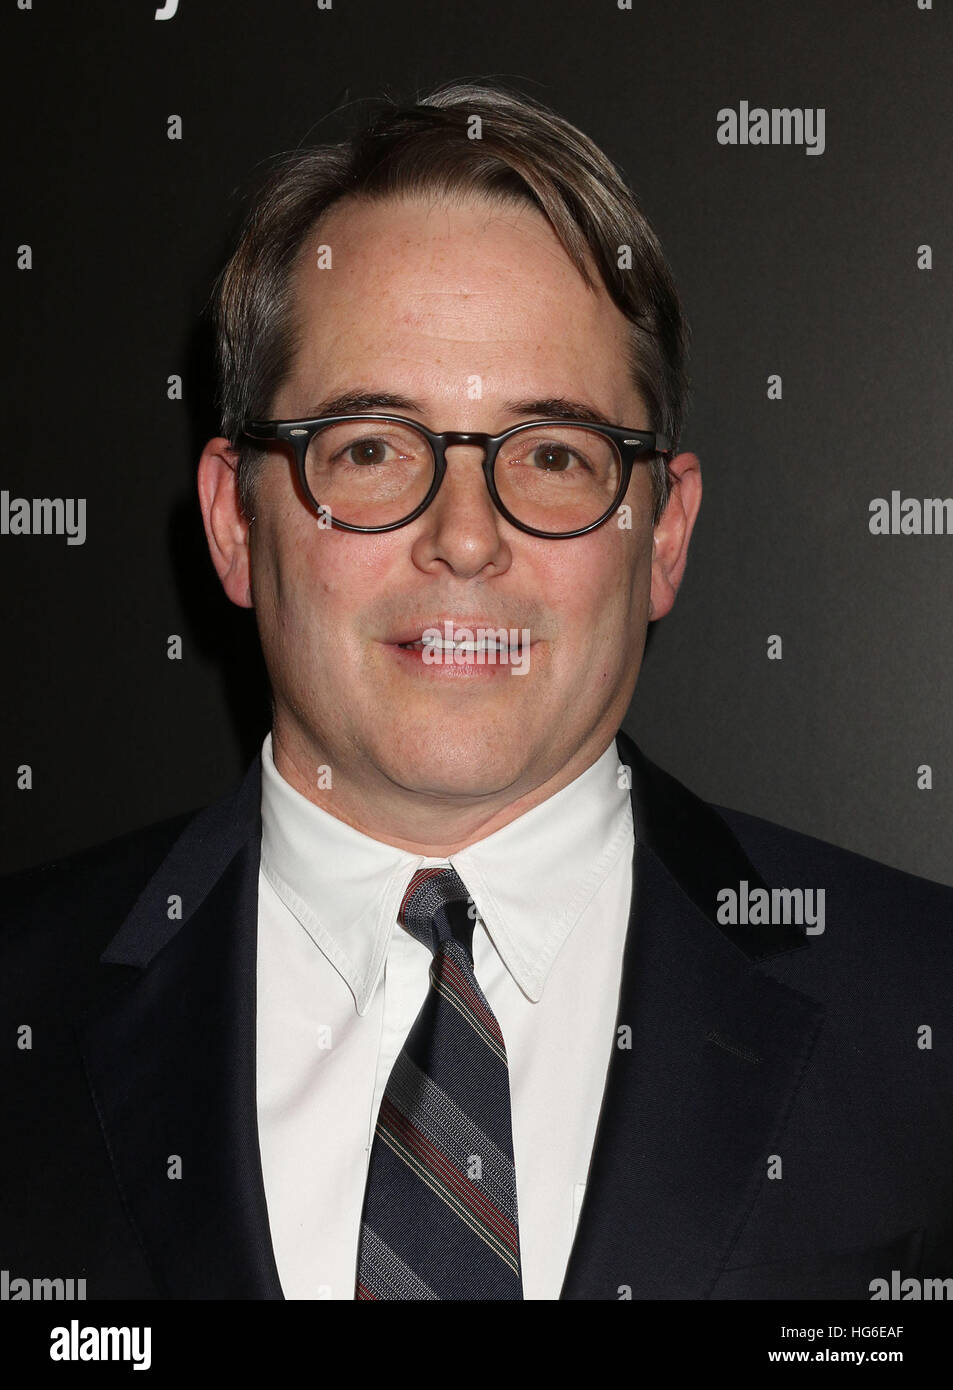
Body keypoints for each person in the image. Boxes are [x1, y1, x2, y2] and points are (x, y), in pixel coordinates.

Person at [2, 80, 952, 1303]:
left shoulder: (922, 1021)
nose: (462, 537)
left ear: (662, 536)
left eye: (552, 455)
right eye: (369, 447)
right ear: (236, 523)